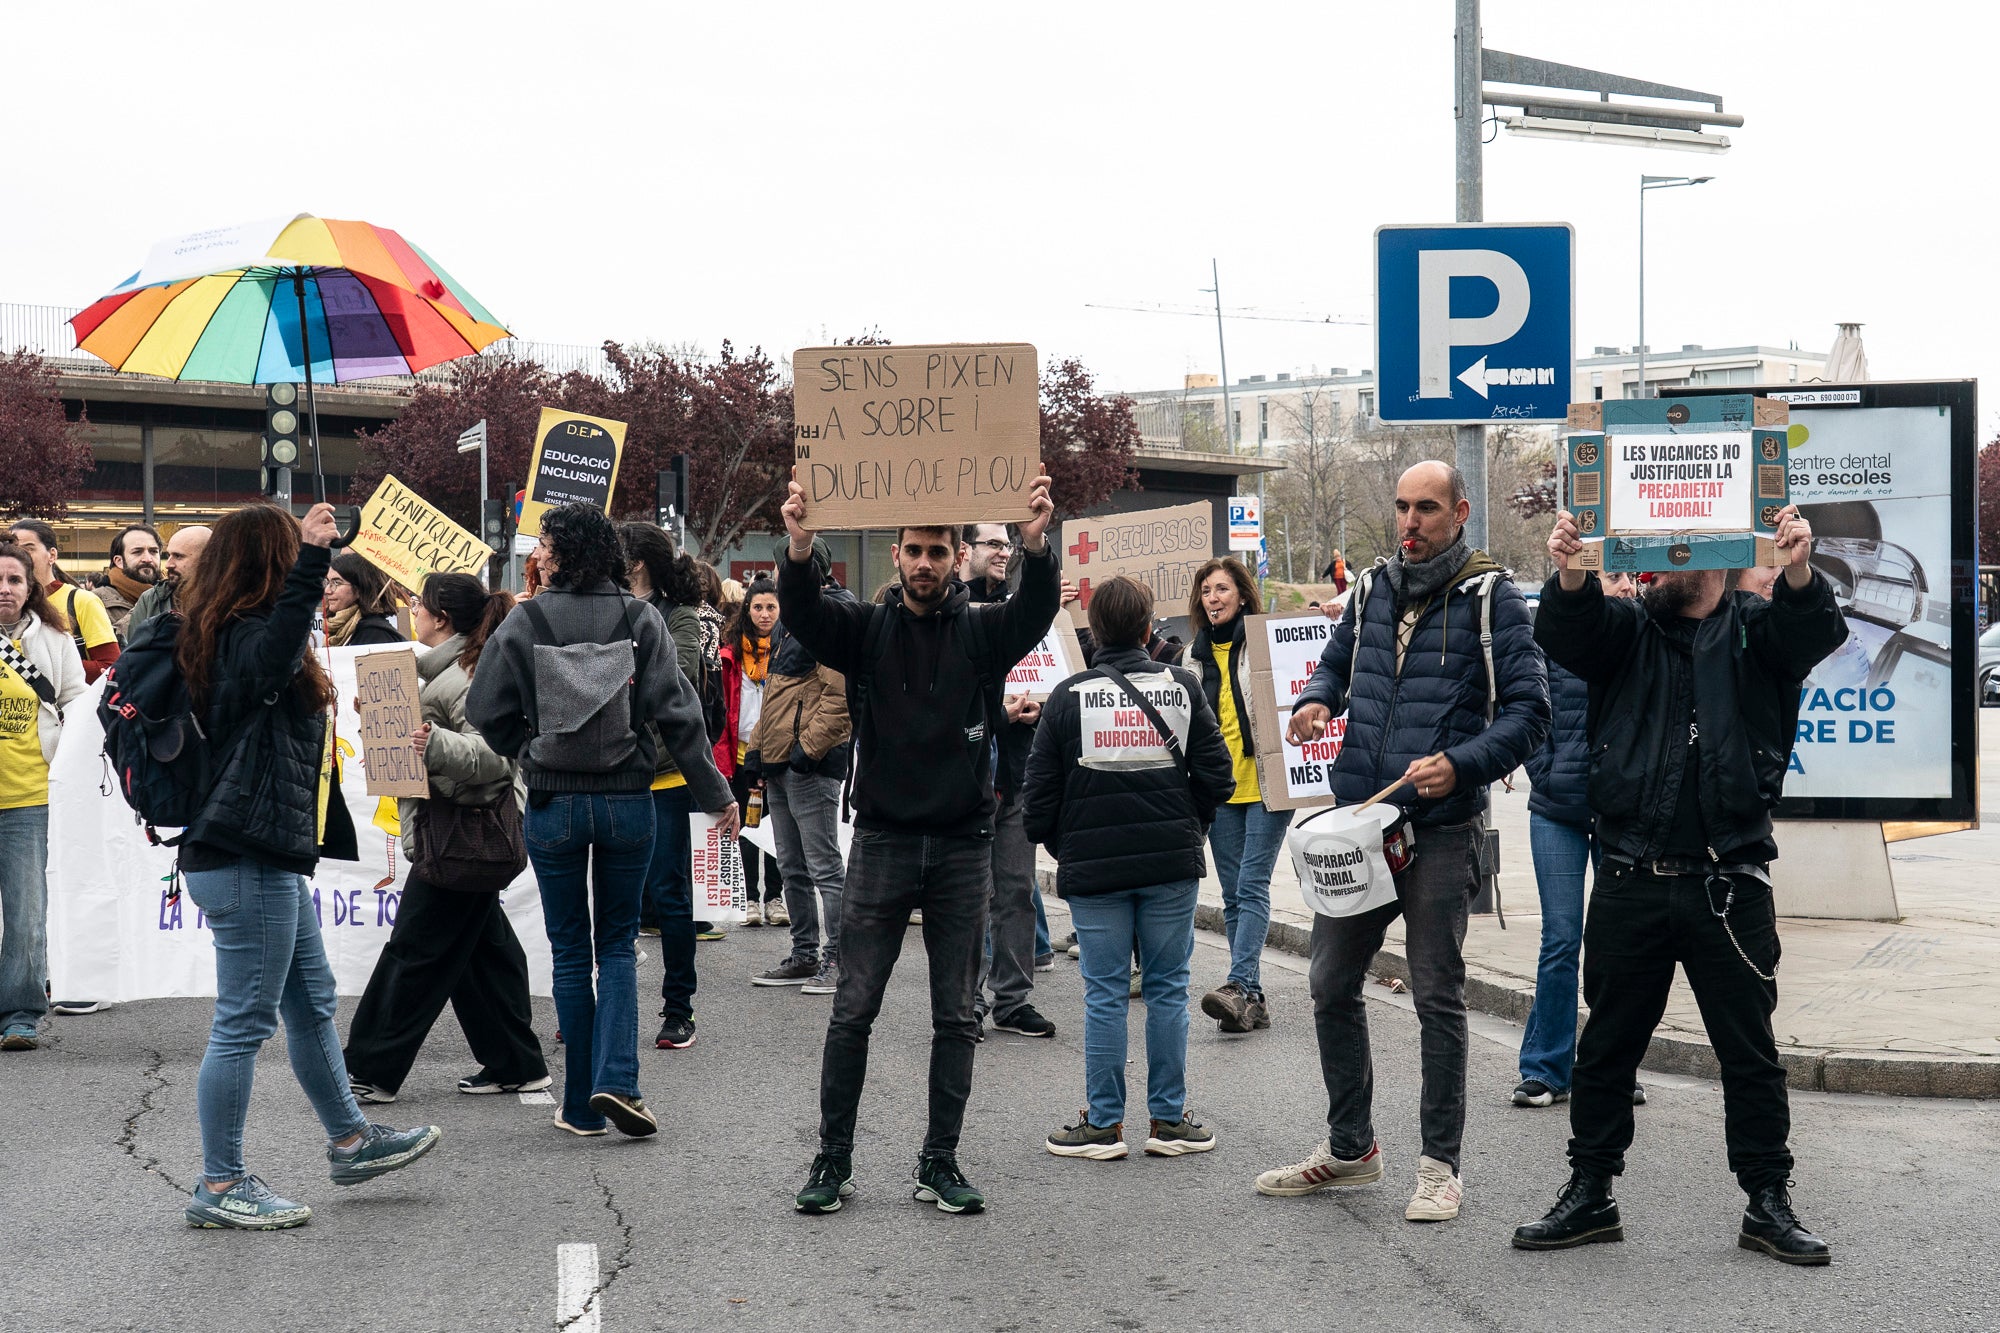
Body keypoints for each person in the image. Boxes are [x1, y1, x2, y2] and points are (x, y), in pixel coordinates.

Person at [1514, 506, 1844, 1265]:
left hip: (1729, 884)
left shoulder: (1757, 630)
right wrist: (1569, 571)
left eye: (1669, 555)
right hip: (1629, 872)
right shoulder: (1629, 629)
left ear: (1713, 561)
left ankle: (1767, 1201)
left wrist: (1798, 568)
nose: (1651, 568)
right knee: (1606, 1049)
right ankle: (1590, 1192)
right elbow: (1567, 631)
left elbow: (1810, 632)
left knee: (1750, 1054)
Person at [1261, 461, 1548, 1223]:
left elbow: (1530, 713)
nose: (1410, 522)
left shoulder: (1493, 598)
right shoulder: (1373, 587)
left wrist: (1461, 764)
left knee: (1435, 995)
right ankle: (1351, 1149)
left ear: (1459, 512)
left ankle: (1440, 1166)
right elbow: (1335, 665)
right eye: (1401, 507)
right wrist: (1316, 700)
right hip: (1361, 823)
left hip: (1441, 830)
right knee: (1330, 982)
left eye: (1426, 508)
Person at [779, 467, 1060, 1216]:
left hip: (963, 847)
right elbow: (804, 612)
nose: (926, 563)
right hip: (882, 844)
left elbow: (1035, 610)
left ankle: (940, 1160)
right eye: (914, 550)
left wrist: (1036, 546)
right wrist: (799, 547)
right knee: (853, 1009)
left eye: (938, 550)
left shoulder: (982, 632)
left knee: (957, 1016)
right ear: (896, 555)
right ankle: (832, 1158)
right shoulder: (867, 631)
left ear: (957, 556)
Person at [172, 502, 440, 1230]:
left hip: (263, 850)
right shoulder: (241, 635)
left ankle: (351, 1139)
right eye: (291, 555)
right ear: (270, 562)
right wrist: (316, 556)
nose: (310, 574)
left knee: (310, 999)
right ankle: (221, 1182)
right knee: (243, 1023)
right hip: (243, 852)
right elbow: (274, 654)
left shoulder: (237, 628)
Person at [468, 503, 737, 1138]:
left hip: (554, 803)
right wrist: (715, 793)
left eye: (544, 544)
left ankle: (580, 1107)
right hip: (627, 802)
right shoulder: (641, 618)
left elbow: (484, 707)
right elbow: (681, 718)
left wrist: (529, 750)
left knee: (570, 950)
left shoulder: (527, 620)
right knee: (617, 945)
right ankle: (619, 1080)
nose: (537, 554)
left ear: (563, 552)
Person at [1025, 575, 1236, 1159]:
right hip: (1170, 865)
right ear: (1147, 630)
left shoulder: (1067, 697)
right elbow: (1218, 779)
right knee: (1168, 990)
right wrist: (1189, 827)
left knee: (1104, 994)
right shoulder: (1182, 687)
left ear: (1096, 632)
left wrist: (1068, 845)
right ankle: (1168, 1122)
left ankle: (1103, 1124)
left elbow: (1036, 803)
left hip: (1094, 873)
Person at [343, 573, 550, 1104]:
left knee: (413, 954)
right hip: (460, 836)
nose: (412, 609)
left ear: (442, 617)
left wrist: (429, 743)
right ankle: (516, 1063)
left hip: (460, 835)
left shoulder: (468, 675)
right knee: (483, 955)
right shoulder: (446, 671)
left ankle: (369, 1070)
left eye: (420, 602)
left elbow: (494, 758)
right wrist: (387, 727)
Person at [1515, 570, 1640, 1110]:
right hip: (1557, 811)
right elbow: (1524, 707)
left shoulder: (1637, 630)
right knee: (1562, 939)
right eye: (1615, 575)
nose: (1628, 586)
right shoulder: (1551, 630)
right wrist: (1546, 773)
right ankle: (1546, 1070)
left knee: (1619, 947)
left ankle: (1614, 1067)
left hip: (1620, 812)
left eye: (1630, 575)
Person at [1186, 557, 1290, 1034]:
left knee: (1251, 885)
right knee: (1232, 895)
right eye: (1206, 590)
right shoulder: (1192, 657)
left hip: (1266, 784)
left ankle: (1239, 984)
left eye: (1222, 589)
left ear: (1243, 595)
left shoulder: (1265, 642)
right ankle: (1253, 1002)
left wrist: (1330, 614)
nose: (1213, 598)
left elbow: (1311, 659)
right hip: (1220, 789)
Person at [960, 521, 1055, 1038]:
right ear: (965, 551)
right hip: (966, 784)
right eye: (993, 544)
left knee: (1017, 891)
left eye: (1007, 544)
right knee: (970, 896)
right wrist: (999, 714)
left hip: (1016, 777)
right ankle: (966, 1001)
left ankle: (1013, 1000)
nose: (1003, 552)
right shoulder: (949, 612)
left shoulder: (1019, 610)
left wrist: (1039, 708)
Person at [747, 537, 851, 996]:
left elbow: (839, 698)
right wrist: (758, 750)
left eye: (783, 566)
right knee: (792, 867)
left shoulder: (831, 614)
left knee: (824, 867)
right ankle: (805, 954)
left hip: (809, 765)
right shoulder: (794, 616)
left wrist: (807, 750)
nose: (776, 574)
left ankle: (840, 959)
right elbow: (777, 695)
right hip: (782, 763)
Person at [619, 522, 708, 1048]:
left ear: (638, 562)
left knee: (669, 894)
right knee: (612, 899)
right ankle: (601, 1002)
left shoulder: (679, 615)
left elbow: (679, 679)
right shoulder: (605, 606)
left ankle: (679, 1009)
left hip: (666, 776)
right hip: (615, 773)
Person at [0, 543, 87, 1051]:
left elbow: (77, 701)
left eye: (14, 579)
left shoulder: (53, 638)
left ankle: (19, 1014)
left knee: (26, 915)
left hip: (29, 798)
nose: (5, 589)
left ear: (30, 587)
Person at [721, 579, 786, 927]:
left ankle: (775, 898)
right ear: (747, 610)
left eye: (771, 607)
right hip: (742, 754)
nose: (764, 614)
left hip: (778, 752)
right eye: (758, 607)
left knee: (777, 830)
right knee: (746, 827)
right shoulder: (732, 651)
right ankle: (749, 898)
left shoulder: (788, 649)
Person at [7, 520, 120, 683]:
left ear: (52, 555)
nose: (20, 557)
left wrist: (50, 664)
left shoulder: (82, 601)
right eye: (14, 551)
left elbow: (110, 667)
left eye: (28, 549)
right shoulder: (9, 604)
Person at [126, 525, 211, 639]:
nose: (168, 564)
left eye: (178, 556)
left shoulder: (227, 603)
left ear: (206, 559)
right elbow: (135, 647)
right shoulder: (151, 600)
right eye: (168, 555)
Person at [94, 523, 162, 640]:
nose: (147, 559)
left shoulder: (171, 595)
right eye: (137, 552)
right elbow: (107, 644)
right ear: (119, 561)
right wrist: (146, 605)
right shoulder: (95, 601)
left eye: (153, 551)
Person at [323, 553, 404, 646]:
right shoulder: (341, 631)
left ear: (360, 588)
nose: (327, 590)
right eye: (328, 582)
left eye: (337, 583)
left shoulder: (374, 634)